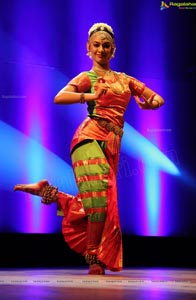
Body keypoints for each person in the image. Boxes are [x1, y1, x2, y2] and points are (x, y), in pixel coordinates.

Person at [14, 22, 164, 275]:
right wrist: (92, 96)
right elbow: (59, 97)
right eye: (96, 45)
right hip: (88, 138)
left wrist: (152, 103)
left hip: (112, 143)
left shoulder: (125, 80)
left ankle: (49, 192)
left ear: (113, 49)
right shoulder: (88, 77)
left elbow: (155, 97)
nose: (101, 49)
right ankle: (93, 256)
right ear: (88, 48)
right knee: (101, 197)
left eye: (106, 45)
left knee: (98, 201)